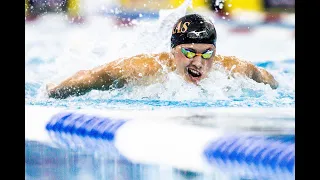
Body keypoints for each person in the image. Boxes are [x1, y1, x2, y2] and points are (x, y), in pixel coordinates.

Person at [47, 13, 278, 99]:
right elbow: (91, 76)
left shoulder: (233, 69)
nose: (198, 62)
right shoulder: (143, 69)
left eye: (207, 53)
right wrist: (54, 91)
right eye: (189, 52)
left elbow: (267, 78)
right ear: (173, 51)